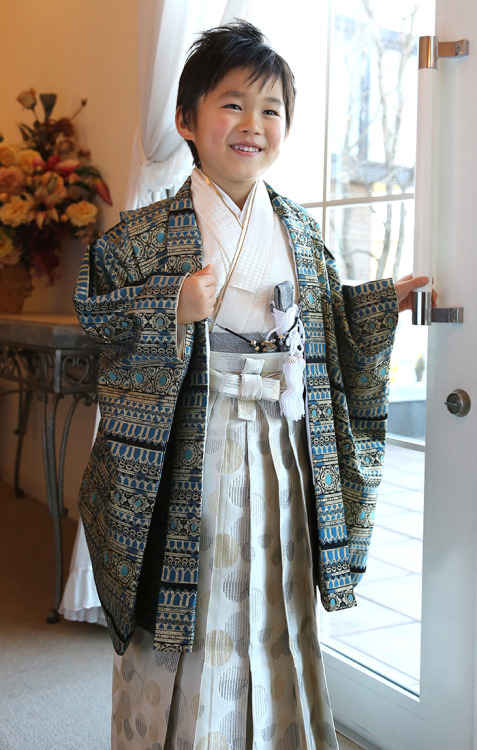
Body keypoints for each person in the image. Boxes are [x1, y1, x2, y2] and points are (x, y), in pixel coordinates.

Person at [74, 19, 429, 750]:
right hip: (188, 459)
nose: (253, 124)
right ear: (186, 121)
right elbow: (97, 323)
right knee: (192, 606)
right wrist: (169, 305)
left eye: (271, 110)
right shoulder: (139, 236)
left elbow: (326, 319)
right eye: (232, 104)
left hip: (278, 447)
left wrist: (374, 304)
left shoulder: (296, 228)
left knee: (272, 597)